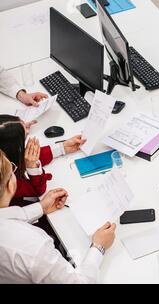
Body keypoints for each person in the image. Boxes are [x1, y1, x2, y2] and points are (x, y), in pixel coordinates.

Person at [0, 149, 116, 283]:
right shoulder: (32, 247)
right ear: (10, 185)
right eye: (12, 170)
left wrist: (41, 207)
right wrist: (99, 247)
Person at [0, 115, 85, 199]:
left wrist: (63, 147)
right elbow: (37, 190)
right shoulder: (4, 180)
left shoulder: (4, 155)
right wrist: (32, 166)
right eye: (24, 138)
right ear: (12, 149)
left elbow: (21, 157)